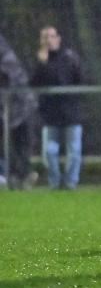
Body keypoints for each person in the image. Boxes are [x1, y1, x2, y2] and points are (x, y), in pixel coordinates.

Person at [31, 26, 84, 190]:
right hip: (50, 112)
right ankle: (55, 183)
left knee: (74, 150)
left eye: (51, 36)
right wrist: (42, 63)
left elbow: (80, 79)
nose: (48, 40)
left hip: (71, 111)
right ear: (41, 41)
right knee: (49, 151)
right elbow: (33, 82)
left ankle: (70, 183)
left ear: (58, 39)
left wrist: (77, 67)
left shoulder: (69, 57)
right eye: (45, 37)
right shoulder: (39, 60)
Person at [0, 33, 37, 190]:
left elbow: (12, 75)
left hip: (19, 105)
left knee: (22, 143)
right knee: (14, 144)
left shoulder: (7, 56)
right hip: (10, 106)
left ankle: (20, 175)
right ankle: (14, 176)